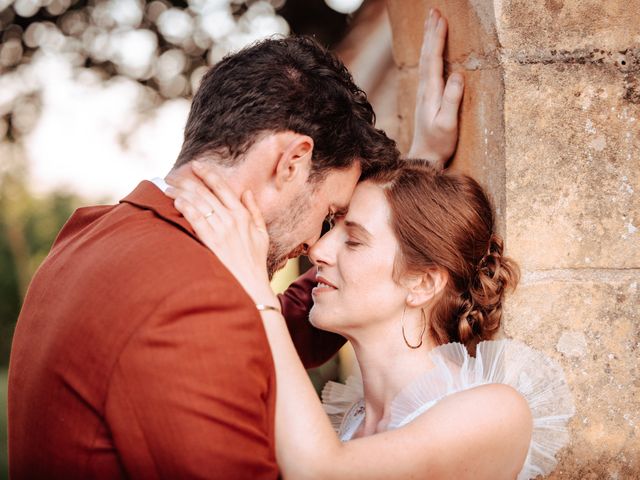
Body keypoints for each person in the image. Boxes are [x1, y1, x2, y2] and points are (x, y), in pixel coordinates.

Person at [8, 9, 463, 480]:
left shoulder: (94, 231)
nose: (315, 243)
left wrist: (414, 200)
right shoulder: (191, 302)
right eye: (330, 215)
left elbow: (273, 330)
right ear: (291, 162)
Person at [169, 160, 575, 479]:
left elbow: (321, 472)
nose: (319, 250)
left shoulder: (494, 412)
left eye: (354, 239)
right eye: (332, 227)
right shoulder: (350, 420)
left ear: (422, 282)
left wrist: (253, 281)